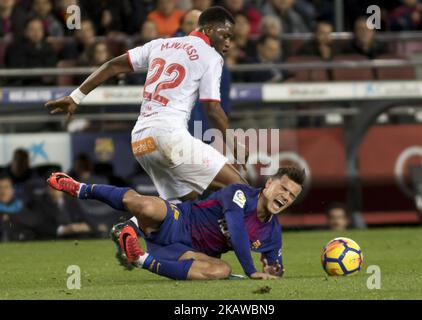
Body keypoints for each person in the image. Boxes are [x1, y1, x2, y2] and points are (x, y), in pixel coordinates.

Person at [45, 6, 249, 203]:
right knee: (241, 189)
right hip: (170, 136)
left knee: (181, 205)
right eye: (226, 36)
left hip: (142, 139)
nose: (229, 43)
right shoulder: (211, 56)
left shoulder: (160, 44)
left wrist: (76, 96)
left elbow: (113, 65)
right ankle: (247, 237)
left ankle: (119, 216)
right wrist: (233, 143)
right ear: (209, 30)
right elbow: (212, 109)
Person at [47, 166, 305, 280]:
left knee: (221, 271)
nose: (286, 197)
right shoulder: (239, 193)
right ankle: (81, 188)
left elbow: (275, 267)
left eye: (292, 195)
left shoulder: (272, 233)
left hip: (187, 252)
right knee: (145, 204)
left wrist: (273, 271)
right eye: (283, 188)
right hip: (177, 220)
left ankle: (139, 258)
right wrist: (250, 270)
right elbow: (236, 230)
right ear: (269, 183)